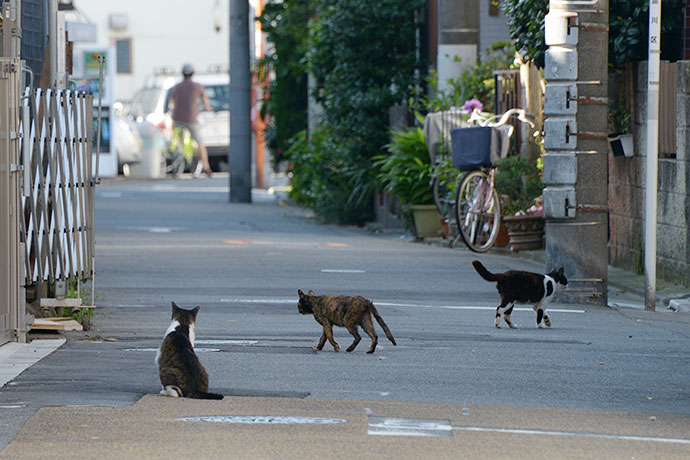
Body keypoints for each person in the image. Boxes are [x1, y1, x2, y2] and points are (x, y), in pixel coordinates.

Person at [168, 63, 213, 177]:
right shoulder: (197, 86)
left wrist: (173, 108)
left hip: (177, 118)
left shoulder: (177, 86)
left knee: (176, 141)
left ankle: (177, 160)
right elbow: (205, 100)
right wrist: (207, 107)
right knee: (199, 143)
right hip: (191, 118)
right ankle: (206, 167)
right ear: (193, 73)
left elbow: (171, 102)